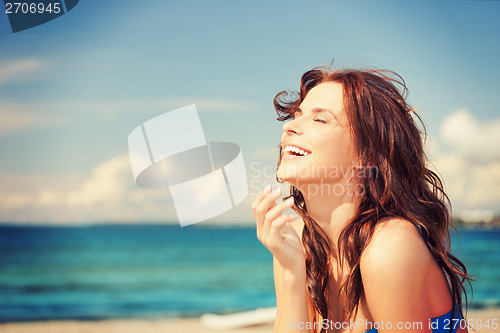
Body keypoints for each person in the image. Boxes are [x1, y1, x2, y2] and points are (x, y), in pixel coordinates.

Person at [252, 66, 472, 333]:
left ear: (365, 156)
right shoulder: (296, 242)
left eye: (320, 120)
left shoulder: (388, 247)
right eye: (297, 115)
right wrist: (291, 272)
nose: (289, 126)